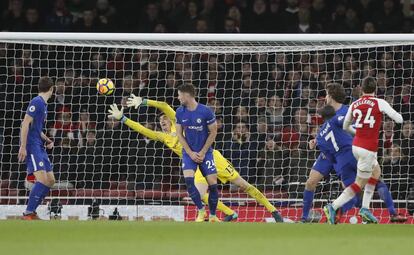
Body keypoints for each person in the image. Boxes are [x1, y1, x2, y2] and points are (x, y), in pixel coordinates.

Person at [108, 96, 284, 223]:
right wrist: (123, 118)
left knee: (244, 185)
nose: (162, 122)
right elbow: (143, 130)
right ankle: (230, 213)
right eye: (160, 121)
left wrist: (145, 101)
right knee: (198, 195)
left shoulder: (181, 125)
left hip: (213, 159)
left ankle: (273, 211)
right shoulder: (165, 138)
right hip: (197, 166)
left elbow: (163, 105)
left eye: (165, 120)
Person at [302, 83, 404, 223]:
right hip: (330, 154)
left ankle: (347, 212)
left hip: (348, 152)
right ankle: (305, 217)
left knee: (360, 185)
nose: (325, 97)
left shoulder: (349, 110)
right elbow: (329, 129)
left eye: (326, 94)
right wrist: (316, 140)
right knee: (310, 182)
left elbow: (354, 128)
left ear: (330, 96)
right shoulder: (331, 115)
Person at [18, 77, 55, 220]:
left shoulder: (43, 105)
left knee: (50, 180)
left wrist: (47, 139)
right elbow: (25, 123)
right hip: (32, 146)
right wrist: (23, 146)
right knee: (42, 180)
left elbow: (36, 129)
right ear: (51, 89)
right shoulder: (37, 102)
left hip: (39, 145)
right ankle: (29, 212)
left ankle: (32, 211)